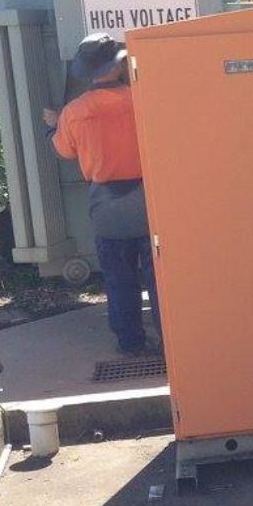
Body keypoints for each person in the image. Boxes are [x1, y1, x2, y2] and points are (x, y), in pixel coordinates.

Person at [43, 33, 160, 356]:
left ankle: (131, 343)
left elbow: (63, 151)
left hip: (106, 203)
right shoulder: (144, 98)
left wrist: (53, 125)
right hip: (151, 199)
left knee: (119, 277)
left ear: (86, 70)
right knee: (160, 276)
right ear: (121, 63)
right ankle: (171, 344)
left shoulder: (74, 112)